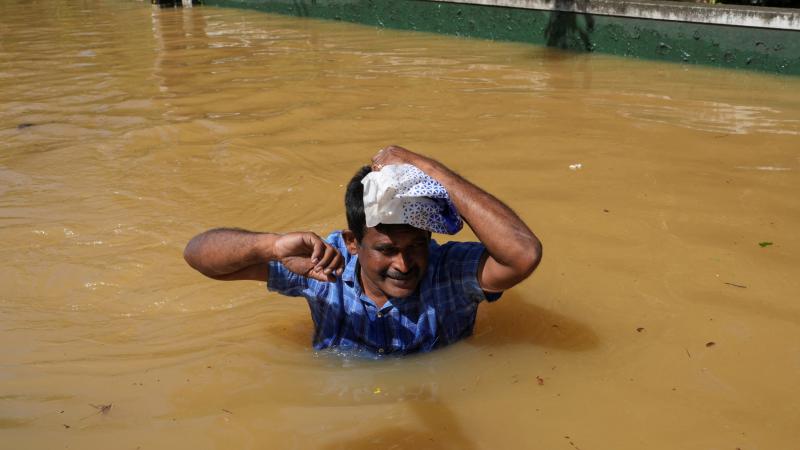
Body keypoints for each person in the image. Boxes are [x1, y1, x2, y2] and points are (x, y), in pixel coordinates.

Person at [184, 145, 542, 355]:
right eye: (386, 249)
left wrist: (427, 168)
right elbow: (198, 256)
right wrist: (271, 246)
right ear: (352, 243)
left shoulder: (450, 272)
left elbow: (523, 254)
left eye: (417, 245)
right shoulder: (322, 265)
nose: (404, 264)